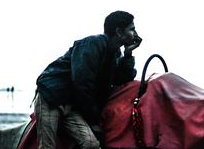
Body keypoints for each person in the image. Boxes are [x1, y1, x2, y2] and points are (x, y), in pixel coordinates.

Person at [35, 10, 142, 148]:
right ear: (119, 32)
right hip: (53, 97)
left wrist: (128, 54)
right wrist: (93, 121)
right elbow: (82, 83)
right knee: (47, 146)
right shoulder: (91, 44)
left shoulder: (115, 53)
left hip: (72, 105)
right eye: (132, 29)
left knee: (91, 144)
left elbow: (121, 80)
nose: (135, 33)